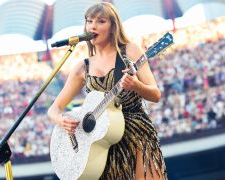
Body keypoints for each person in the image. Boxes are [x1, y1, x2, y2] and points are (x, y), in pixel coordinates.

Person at [48, 2, 167, 180]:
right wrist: (62, 120)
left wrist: (136, 85)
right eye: (89, 21)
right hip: (100, 144)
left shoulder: (130, 50)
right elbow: (54, 109)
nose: (93, 26)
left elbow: (155, 94)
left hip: (137, 135)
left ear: (113, 27)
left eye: (100, 21)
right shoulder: (82, 67)